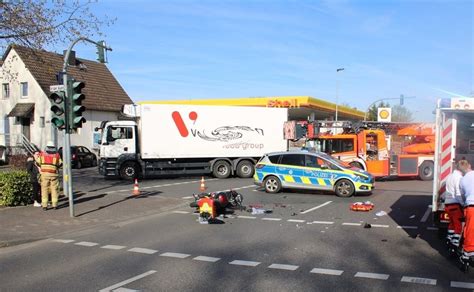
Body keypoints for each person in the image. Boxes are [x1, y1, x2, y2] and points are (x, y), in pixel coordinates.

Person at [444, 160, 469, 246]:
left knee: (452, 225)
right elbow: (458, 193)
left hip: (447, 204)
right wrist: (463, 204)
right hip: (455, 205)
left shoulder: (450, 176)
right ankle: (454, 246)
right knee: (458, 227)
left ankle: (449, 240)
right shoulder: (459, 178)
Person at [36, 141, 62, 211]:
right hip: (54, 174)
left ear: (46, 147)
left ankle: (45, 206)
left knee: (44, 190)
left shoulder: (42, 154)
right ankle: (55, 205)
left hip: (44, 174)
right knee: (54, 190)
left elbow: (37, 162)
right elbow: (60, 164)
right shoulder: (57, 155)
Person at [460, 161, 474, 261]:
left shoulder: (462, 180)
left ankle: (467, 253)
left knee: (469, 230)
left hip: (470, 206)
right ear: (469, 166)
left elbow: (463, 195)